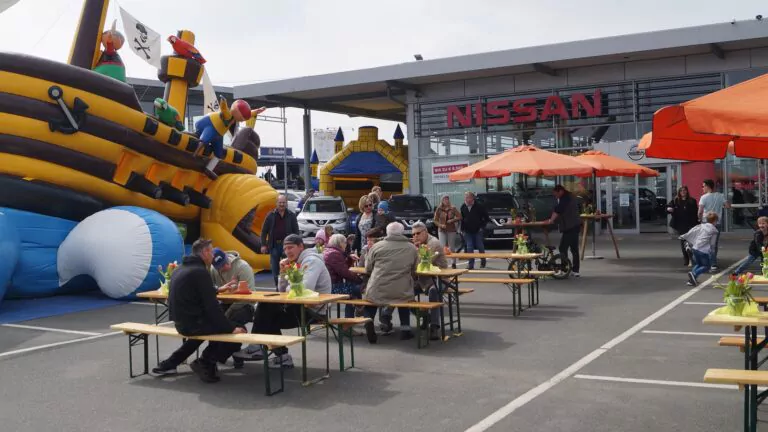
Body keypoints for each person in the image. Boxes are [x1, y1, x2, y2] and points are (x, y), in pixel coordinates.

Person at [151, 239, 247, 382]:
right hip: (193, 324)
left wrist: (216, 290)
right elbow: (212, 307)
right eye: (211, 252)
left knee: (205, 330)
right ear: (205, 252)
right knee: (235, 328)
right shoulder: (200, 272)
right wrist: (231, 328)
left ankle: (169, 364)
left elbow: (196, 292)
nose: (213, 256)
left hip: (180, 323)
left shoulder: (180, 269)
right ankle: (206, 362)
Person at [243, 234, 332, 367]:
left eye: (291, 247)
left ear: (301, 246)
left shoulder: (311, 261)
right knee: (266, 313)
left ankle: (257, 345)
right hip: (299, 307)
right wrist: (283, 273)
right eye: (285, 249)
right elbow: (282, 290)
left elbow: (303, 288)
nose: (288, 251)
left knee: (266, 311)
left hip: (314, 310)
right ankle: (281, 356)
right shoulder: (295, 262)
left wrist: (290, 285)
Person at [362, 222, 419, 343]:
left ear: (387, 233)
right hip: (402, 290)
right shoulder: (412, 248)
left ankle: (368, 320)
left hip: (378, 289)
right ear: (402, 233)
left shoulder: (376, 247)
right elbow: (415, 269)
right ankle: (405, 330)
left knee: (370, 300)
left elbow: (367, 269)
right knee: (404, 298)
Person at [411, 221, 447, 340]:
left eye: (418, 233)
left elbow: (424, 264)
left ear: (425, 232)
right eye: (413, 234)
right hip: (422, 280)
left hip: (439, 278)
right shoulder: (417, 244)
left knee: (434, 292)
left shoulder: (434, 243)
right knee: (404, 291)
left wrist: (415, 250)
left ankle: (434, 327)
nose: (415, 236)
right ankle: (422, 314)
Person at [260, 195, 299, 287]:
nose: (282, 204)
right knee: (275, 268)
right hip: (274, 246)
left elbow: (296, 231)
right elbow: (264, 231)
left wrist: (297, 244)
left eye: (283, 202)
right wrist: (263, 245)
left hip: (288, 246)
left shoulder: (291, 215)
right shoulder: (270, 215)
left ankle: (290, 286)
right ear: (276, 203)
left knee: (290, 266)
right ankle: (278, 288)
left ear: (286, 203)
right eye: (280, 202)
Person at [324, 234, 364, 318]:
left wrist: (349, 258)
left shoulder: (328, 251)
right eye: (345, 243)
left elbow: (343, 268)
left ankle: (359, 309)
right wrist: (360, 280)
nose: (346, 245)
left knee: (353, 286)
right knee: (356, 289)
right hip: (333, 288)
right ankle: (349, 322)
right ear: (341, 243)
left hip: (329, 285)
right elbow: (345, 273)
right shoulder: (335, 254)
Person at [549, 184, 581, 277]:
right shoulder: (569, 197)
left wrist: (551, 220)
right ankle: (575, 270)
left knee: (563, 248)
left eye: (556, 194)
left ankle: (565, 268)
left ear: (561, 191)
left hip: (570, 227)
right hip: (574, 225)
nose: (556, 196)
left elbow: (558, 210)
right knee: (574, 249)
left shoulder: (566, 198)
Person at [698, 179, 730, 271]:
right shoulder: (720, 196)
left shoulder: (703, 197)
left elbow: (700, 211)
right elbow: (727, 206)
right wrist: (720, 206)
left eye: (703, 186)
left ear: (708, 186)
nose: (702, 188)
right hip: (717, 223)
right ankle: (713, 264)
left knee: (705, 243)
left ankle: (706, 262)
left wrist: (699, 219)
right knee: (714, 244)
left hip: (705, 223)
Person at [681, 212, 720, 286]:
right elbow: (712, 244)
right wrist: (712, 252)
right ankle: (694, 274)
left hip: (695, 248)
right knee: (706, 266)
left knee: (699, 264)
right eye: (716, 221)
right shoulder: (714, 231)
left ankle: (691, 280)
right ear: (715, 221)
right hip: (703, 250)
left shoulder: (702, 226)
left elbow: (693, 231)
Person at [667, 186, 699, 267]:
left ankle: (692, 258)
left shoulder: (692, 201)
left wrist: (697, 223)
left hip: (691, 224)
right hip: (680, 224)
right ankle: (686, 258)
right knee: (683, 241)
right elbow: (667, 208)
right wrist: (669, 209)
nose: (683, 192)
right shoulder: (675, 201)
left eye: (684, 190)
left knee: (691, 242)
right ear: (679, 192)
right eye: (681, 191)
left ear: (687, 191)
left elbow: (696, 212)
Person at [460, 191, 489, 270]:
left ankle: (483, 260)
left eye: (468, 197)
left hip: (478, 230)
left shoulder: (479, 206)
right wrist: (462, 230)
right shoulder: (463, 207)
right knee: (469, 247)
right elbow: (462, 219)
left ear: (472, 198)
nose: (467, 199)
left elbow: (486, 218)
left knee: (480, 246)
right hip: (467, 231)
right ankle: (471, 265)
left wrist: (482, 227)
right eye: (466, 197)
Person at [434, 194, 461, 269]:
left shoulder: (453, 208)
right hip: (442, 230)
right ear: (442, 200)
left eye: (447, 199)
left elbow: (459, 216)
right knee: (442, 247)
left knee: (451, 246)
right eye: (445, 199)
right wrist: (440, 225)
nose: (446, 201)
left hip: (451, 229)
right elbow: (435, 220)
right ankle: (442, 263)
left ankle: (453, 263)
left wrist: (452, 220)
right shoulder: (439, 209)